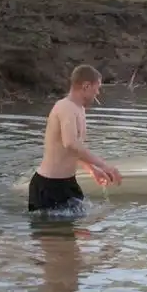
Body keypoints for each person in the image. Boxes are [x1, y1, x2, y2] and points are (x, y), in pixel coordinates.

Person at [28, 64, 122, 213]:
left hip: (68, 183)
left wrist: (92, 169)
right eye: (97, 88)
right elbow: (70, 143)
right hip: (48, 186)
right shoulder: (65, 107)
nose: (97, 93)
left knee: (82, 224)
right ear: (86, 86)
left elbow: (73, 150)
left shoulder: (80, 109)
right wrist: (104, 166)